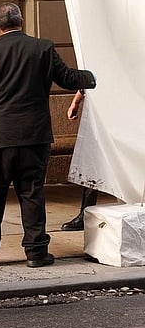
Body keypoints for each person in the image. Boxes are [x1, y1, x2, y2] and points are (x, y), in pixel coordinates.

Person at [0, 2, 96, 268]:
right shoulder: (43, 48)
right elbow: (69, 79)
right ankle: (36, 252)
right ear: (21, 21)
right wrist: (92, 76)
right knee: (32, 193)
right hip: (34, 137)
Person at [61, 90, 98, 231]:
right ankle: (85, 213)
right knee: (92, 161)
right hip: (102, 115)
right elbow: (92, 76)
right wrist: (76, 101)